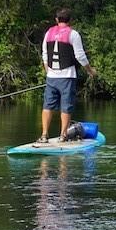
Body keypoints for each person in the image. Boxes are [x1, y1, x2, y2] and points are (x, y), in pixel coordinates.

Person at [38, 8, 96, 143]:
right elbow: (80, 56)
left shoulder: (48, 33)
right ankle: (63, 136)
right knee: (66, 106)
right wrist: (90, 70)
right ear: (70, 21)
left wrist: (48, 72)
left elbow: (44, 54)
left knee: (47, 105)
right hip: (68, 76)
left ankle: (44, 135)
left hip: (51, 77)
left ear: (57, 20)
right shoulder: (73, 34)